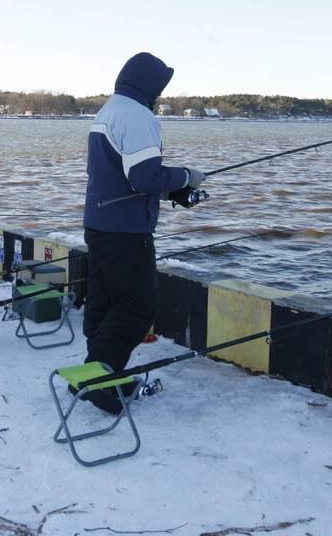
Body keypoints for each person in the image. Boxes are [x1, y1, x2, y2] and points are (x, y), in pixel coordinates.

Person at [80, 52, 206, 413]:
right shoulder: (138, 116)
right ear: (149, 83)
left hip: (100, 224)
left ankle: (97, 367)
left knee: (104, 301)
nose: (161, 93)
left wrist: (171, 192)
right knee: (138, 306)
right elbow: (143, 176)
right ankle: (100, 381)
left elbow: (124, 175)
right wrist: (185, 176)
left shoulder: (110, 110)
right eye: (161, 85)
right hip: (126, 231)